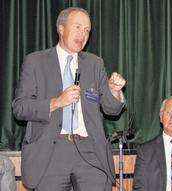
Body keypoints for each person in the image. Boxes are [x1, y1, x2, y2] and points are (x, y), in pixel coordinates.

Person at [12, 7, 126, 191]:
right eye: (78, 27)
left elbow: (111, 109)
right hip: (51, 151)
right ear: (61, 29)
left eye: (87, 30)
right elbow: (20, 107)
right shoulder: (36, 62)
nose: (83, 34)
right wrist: (57, 102)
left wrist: (114, 92)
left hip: (90, 151)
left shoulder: (94, 64)